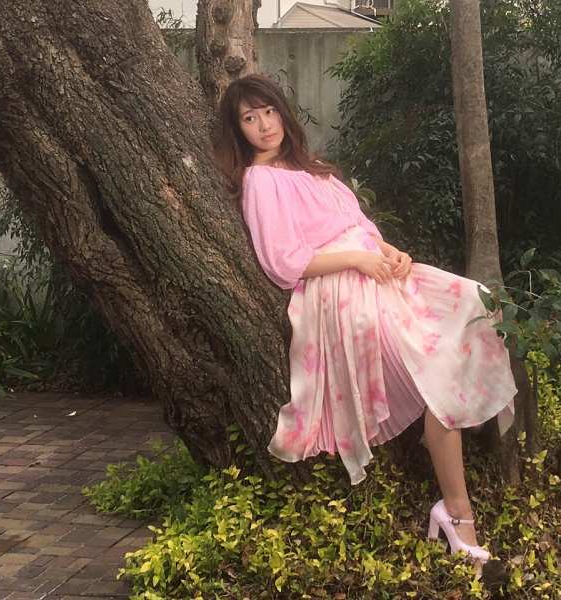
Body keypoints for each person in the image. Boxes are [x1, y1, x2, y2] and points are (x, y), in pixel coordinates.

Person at [212, 73, 517, 572]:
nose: (264, 125)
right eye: (250, 118)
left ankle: (448, 452)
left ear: (283, 113)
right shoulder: (260, 181)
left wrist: (392, 252)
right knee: (433, 375)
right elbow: (283, 263)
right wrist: (356, 260)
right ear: (238, 130)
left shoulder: (313, 168)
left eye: (269, 111)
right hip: (339, 289)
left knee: (478, 304)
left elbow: (363, 228)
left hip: (377, 271)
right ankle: (457, 515)